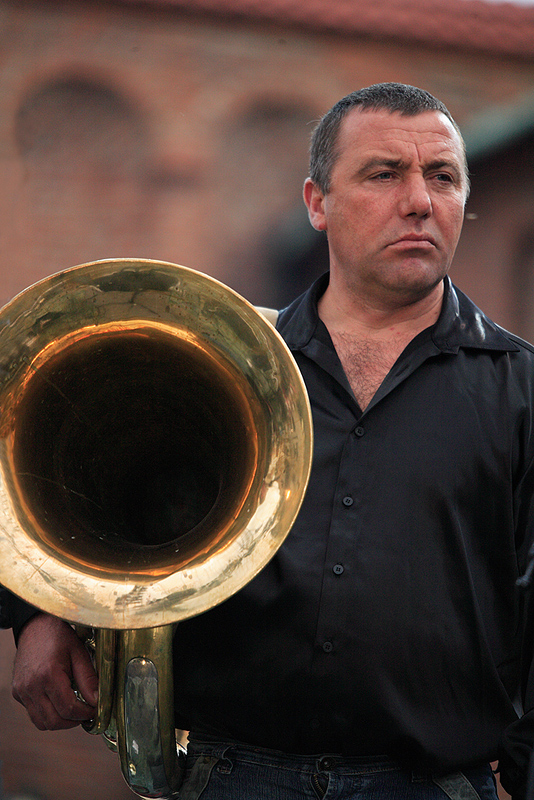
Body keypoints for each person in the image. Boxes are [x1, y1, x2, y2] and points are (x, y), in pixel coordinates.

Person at [6, 82, 534, 799]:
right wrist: (38, 612)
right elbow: (64, 484)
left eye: (442, 177)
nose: (419, 201)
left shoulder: (521, 390)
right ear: (317, 203)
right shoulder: (222, 365)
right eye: (384, 174)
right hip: (228, 776)